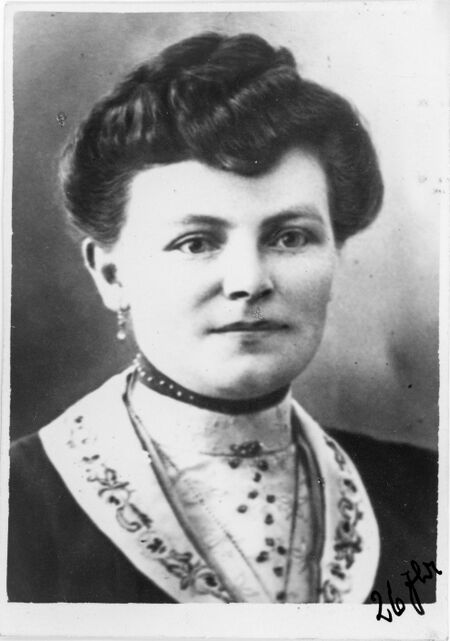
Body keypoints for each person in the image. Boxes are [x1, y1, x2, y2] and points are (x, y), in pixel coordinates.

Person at [8, 32, 437, 604]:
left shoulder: (426, 493)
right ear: (111, 274)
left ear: (337, 252)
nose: (249, 281)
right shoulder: (18, 506)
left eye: (290, 237)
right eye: (196, 242)